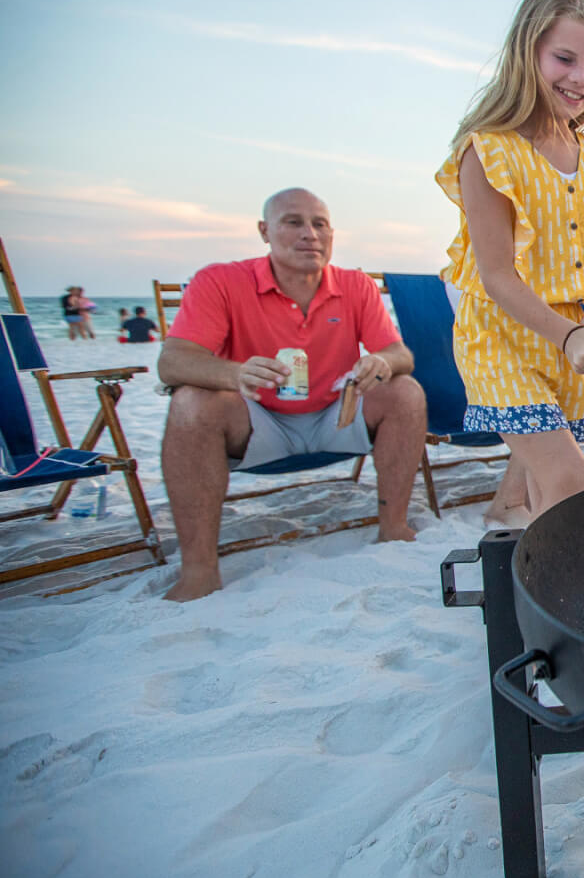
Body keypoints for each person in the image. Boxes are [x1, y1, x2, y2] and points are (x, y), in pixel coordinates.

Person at [157, 188, 427, 602]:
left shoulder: (354, 285)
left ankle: (393, 528)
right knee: (191, 402)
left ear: (332, 235)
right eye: (293, 222)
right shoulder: (221, 280)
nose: (310, 235)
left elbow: (399, 353)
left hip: (335, 415)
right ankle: (199, 569)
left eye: (320, 224)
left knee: (404, 391)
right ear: (264, 231)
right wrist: (235, 372)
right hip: (255, 419)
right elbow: (172, 362)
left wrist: (383, 363)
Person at [437, 0, 584, 529]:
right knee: (572, 482)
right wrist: (570, 335)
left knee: (548, 493)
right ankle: (568, 598)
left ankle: (539, 599)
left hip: (569, 340)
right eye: (564, 59)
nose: (580, 79)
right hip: (503, 341)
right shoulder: (490, 150)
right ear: (527, 55)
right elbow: (496, 276)